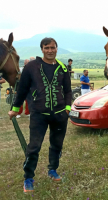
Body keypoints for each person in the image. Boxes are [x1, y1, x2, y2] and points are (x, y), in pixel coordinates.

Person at [8, 37, 72, 193]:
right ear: (42, 49)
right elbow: (22, 89)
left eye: (52, 47)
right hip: (39, 115)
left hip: (59, 115)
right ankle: (28, 178)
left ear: (57, 48)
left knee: (56, 145)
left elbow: (68, 90)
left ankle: (52, 170)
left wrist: (68, 108)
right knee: (34, 147)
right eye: (46, 48)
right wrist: (15, 108)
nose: (50, 50)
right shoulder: (31, 67)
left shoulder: (63, 68)